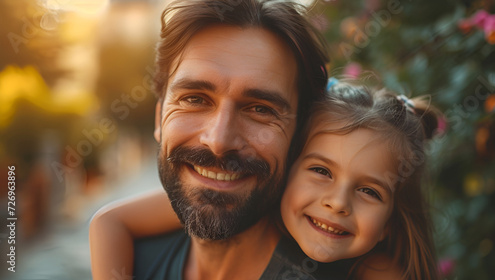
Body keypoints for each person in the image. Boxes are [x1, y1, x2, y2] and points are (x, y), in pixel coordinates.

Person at [90, 80, 441, 280]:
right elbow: (110, 221)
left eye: (369, 190)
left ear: (390, 224)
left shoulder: (378, 271)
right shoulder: (250, 203)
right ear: (287, 168)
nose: (337, 202)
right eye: (321, 171)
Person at [90, 0, 338, 279]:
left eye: (260, 109)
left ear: (300, 136)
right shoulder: (133, 261)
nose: (219, 141)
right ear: (159, 118)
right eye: (194, 99)